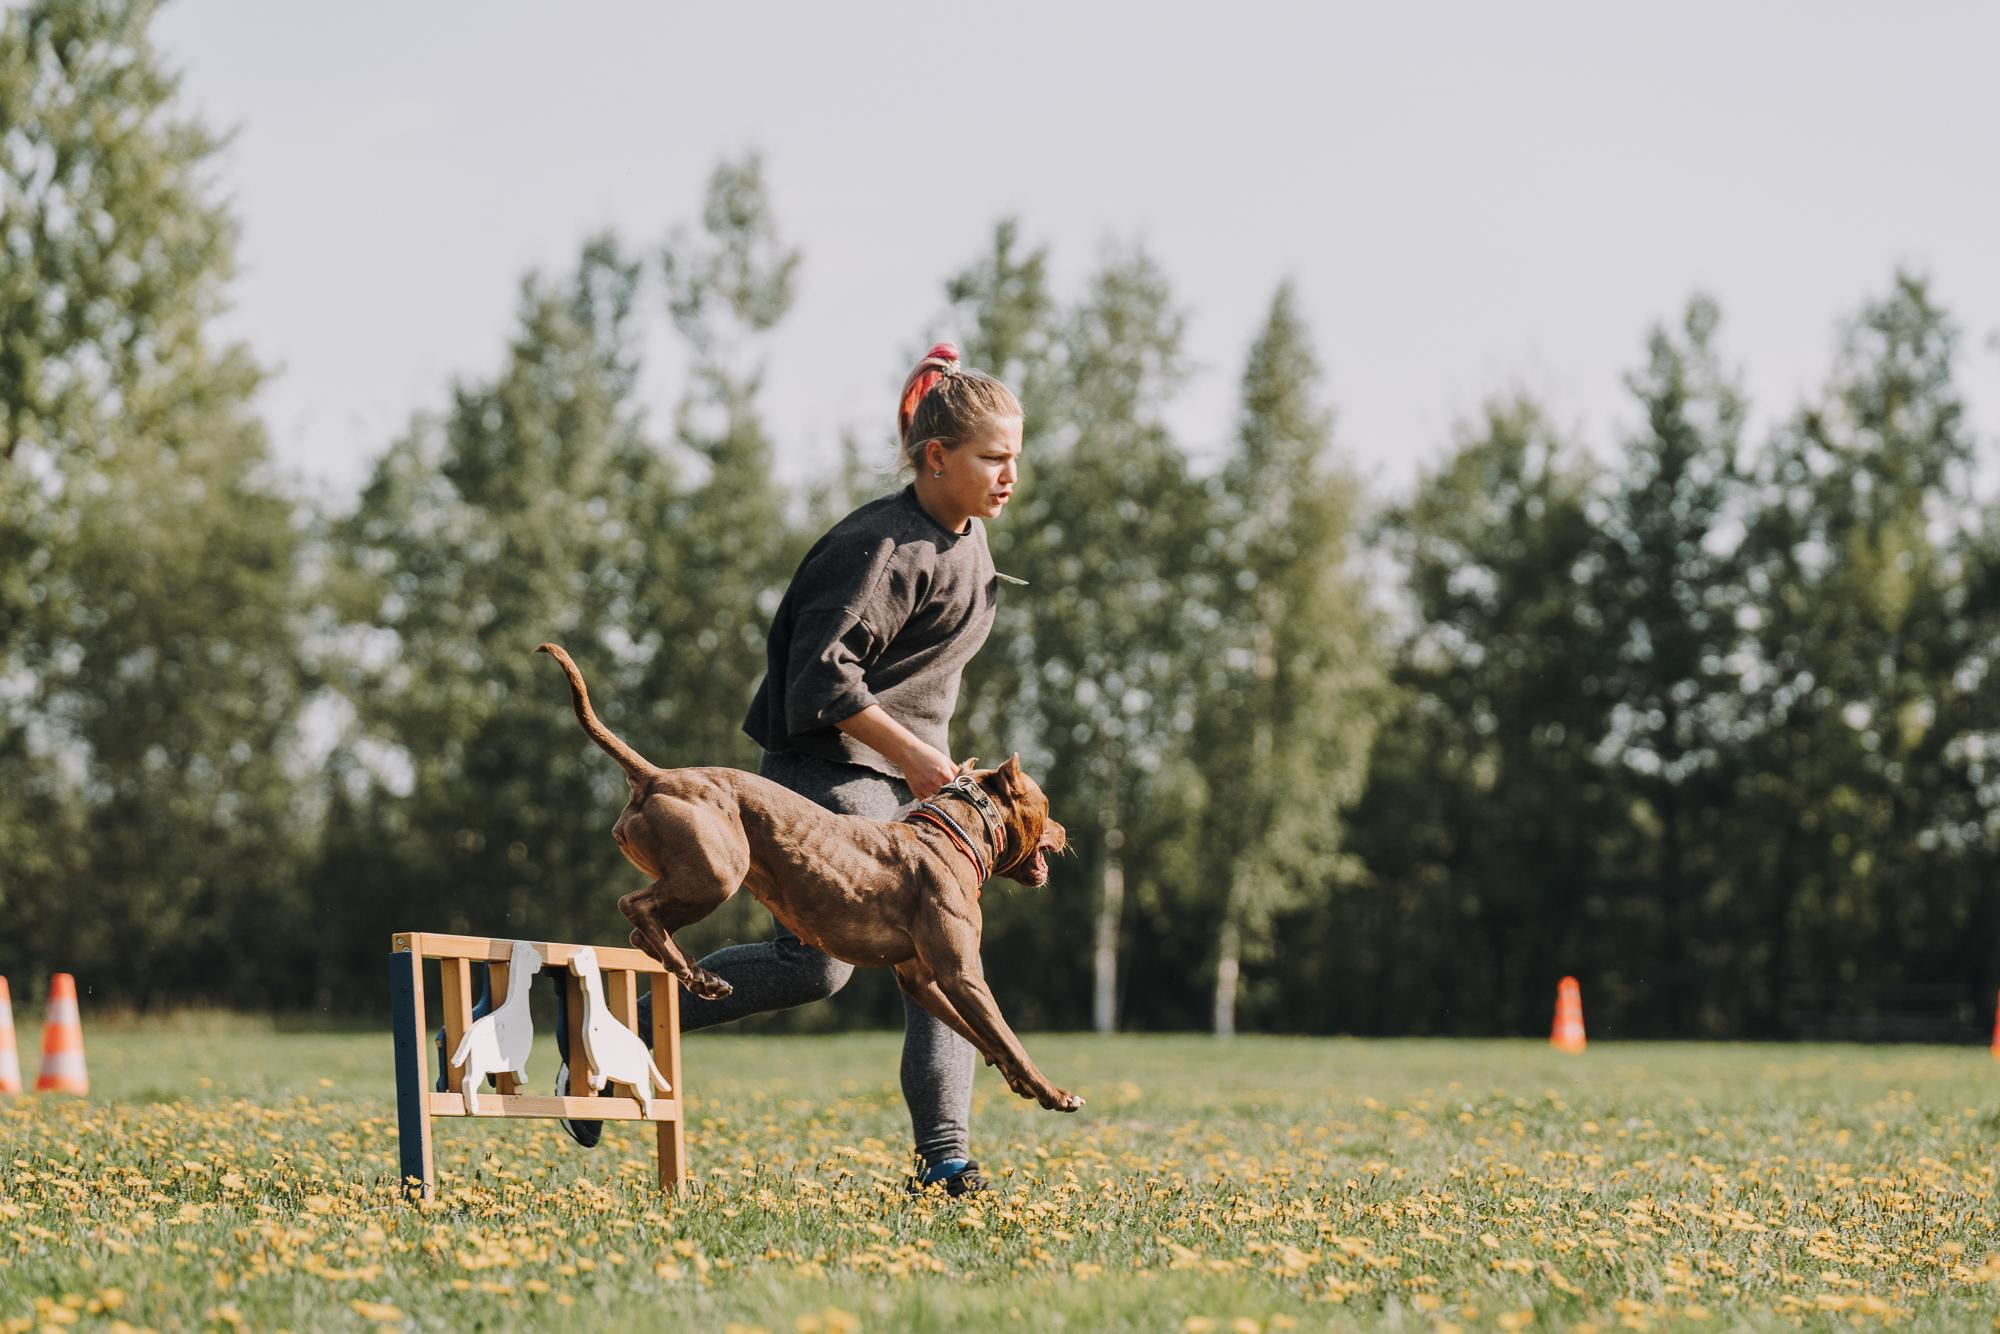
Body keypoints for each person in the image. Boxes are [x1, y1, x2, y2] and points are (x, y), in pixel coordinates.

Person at [557, 342, 1025, 1197]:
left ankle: (947, 1160)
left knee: (948, 955)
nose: (1008, 476)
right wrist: (918, 754)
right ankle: (608, 1025)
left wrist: (930, 761)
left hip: (906, 784)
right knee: (816, 965)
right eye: (994, 458)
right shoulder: (880, 548)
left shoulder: (971, 549)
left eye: (1015, 459)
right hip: (825, 768)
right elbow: (820, 681)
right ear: (936, 457)